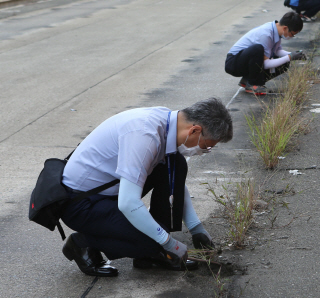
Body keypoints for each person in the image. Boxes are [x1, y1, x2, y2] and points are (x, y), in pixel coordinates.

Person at [60, 98, 233, 277]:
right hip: (80, 203)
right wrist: (167, 242)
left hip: (108, 190)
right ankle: (82, 243)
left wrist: (196, 228)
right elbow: (128, 203)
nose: (202, 152)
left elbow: (174, 182)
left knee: (176, 163)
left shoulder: (167, 123)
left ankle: (151, 254)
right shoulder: (144, 134)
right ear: (195, 130)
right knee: (152, 242)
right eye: (205, 147)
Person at [225, 12, 307, 96]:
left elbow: (277, 51)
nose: (291, 37)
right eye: (292, 34)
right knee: (257, 49)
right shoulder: (266, 34)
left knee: (284, 63)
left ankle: (247, 80)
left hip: (244, 60)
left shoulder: (276, 31)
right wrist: (290, 56)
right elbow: (267, 64)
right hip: (233, 63)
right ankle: (253, 84)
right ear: (285, 28)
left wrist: (293, 55)